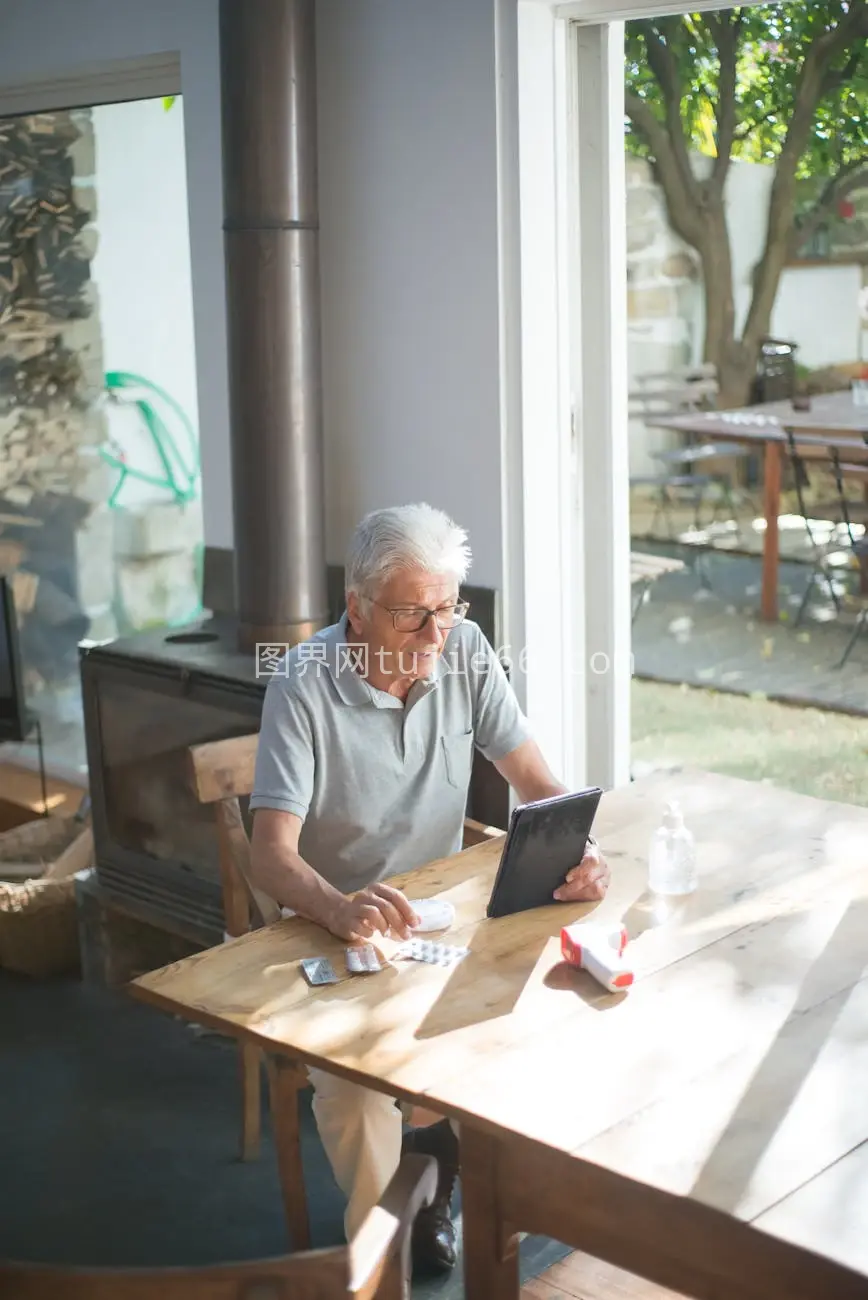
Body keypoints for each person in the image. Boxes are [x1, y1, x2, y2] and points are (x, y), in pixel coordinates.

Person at [249, 502, 610, 1272]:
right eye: (414, 614)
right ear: (357, 606)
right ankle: (382, 1256)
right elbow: (270, 858)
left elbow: (537, 784)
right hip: (329, 926)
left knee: (546, 1012)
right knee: (352, 1094)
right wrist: (340, 907)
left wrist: (581, 851)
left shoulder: (466, 650)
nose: (435, 634)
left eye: (447, 607)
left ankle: (452, 1186)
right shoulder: (301, 685)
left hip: (439, 921)